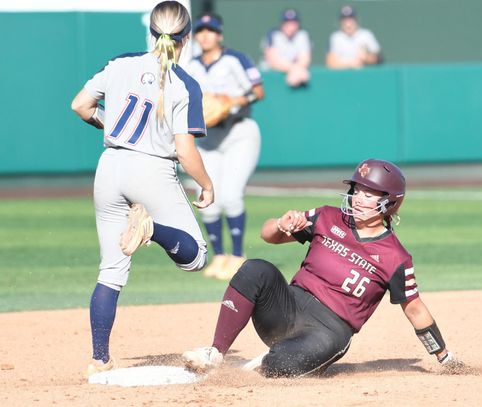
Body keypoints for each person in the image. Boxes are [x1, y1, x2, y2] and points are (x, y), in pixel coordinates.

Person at [181, 159, 461, 378]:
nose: (359, 198)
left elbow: (415, 308)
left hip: (328, 331)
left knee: (281, 366)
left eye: (369, 193)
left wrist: (443, 355)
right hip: (287, 307)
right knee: (255, 269)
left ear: (390, 202)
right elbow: (267, 235)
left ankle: (273, 359)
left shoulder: (395, 256)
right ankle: (215, 353)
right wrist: (281, 224)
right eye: (357, 190)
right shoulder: (327, 216)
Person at [71, 0, 214, 377]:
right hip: (151, 168)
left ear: (152, 32)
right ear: (185, 38)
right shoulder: (184, 83)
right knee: (196, 256)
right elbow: (185, 149)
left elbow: (81, 106)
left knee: (111, 270)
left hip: (111, 165)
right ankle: (151, 229)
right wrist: (206, 184)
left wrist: (109, 125)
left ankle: (99, 358)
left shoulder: (119, 64)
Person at [185, 13, 264, 280]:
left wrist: (232, 100)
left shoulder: (234, 59)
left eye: (211, 30)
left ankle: (238, 257)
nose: (205, 35)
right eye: (201, 31)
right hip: (207, 137)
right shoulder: (191, 66)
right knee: (207, 199)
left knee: (230, 195)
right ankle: (219, 255)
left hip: (238, 131)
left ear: (219, 35)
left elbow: (258, 91)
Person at [261, 9, 311, 87]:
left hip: (295, 74)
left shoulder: (302, 35)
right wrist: (295, 71)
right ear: (282, 24)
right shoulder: (273, 34)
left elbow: (305, 59)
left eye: (293, 23)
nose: (290, 26)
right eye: (287, 23)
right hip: (269, 79)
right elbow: (273, 61)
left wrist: (295, 72)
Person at [326, 5, 382, 69]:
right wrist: (350, 63)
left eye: (350, 19)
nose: (348, 24)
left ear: (356, 20)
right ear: (340, 22)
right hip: (342, 76)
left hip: (363, 74)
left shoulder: (366, 35)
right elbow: (330, 62)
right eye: (345, 20)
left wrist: (366, 58)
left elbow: (378, 58)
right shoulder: (335, 37)